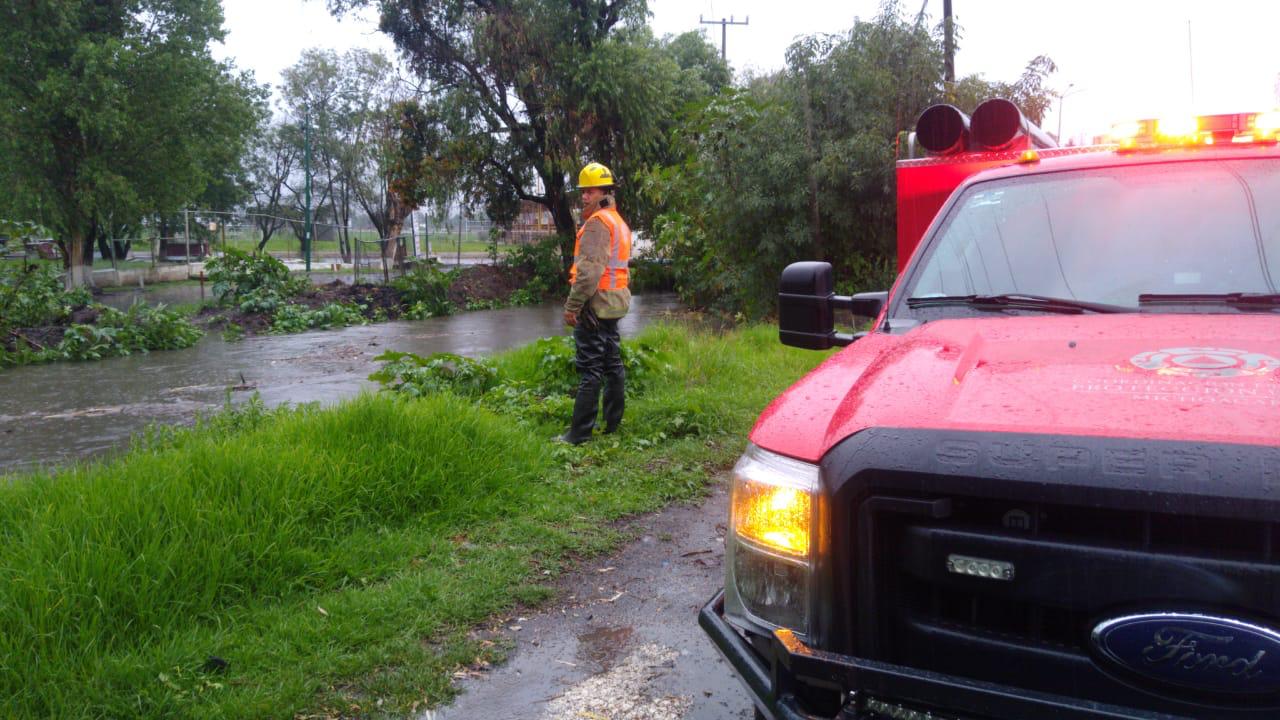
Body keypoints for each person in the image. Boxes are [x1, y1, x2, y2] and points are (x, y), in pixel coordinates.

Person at [560, 162, 631, 444]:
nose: (584, 197)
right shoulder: (618, 221)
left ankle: (579, 434)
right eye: (583, 191)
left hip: (595, 304)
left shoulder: (598, 224)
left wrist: (572, 306)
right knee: (612, 363)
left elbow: (589, 272)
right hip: (615, 302)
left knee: (591, 368)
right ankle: (612, 425)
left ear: (604, 192)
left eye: (589, 191)